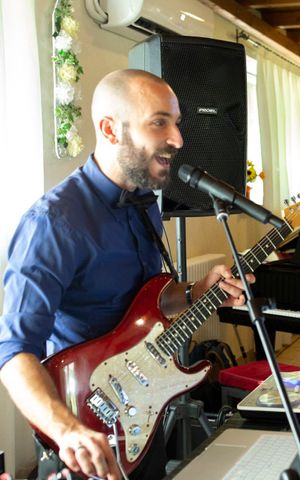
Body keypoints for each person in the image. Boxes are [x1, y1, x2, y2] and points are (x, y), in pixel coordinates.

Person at [0, 70, 253, 480]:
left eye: (176, 122)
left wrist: (196, 292)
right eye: (159, 122)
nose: (178, 139)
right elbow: (13, 352)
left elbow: (148, 301)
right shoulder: (53, 222)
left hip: (142, 410)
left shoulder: (144, 201)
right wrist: (69, 432)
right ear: (109, 129)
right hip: (84, 424)